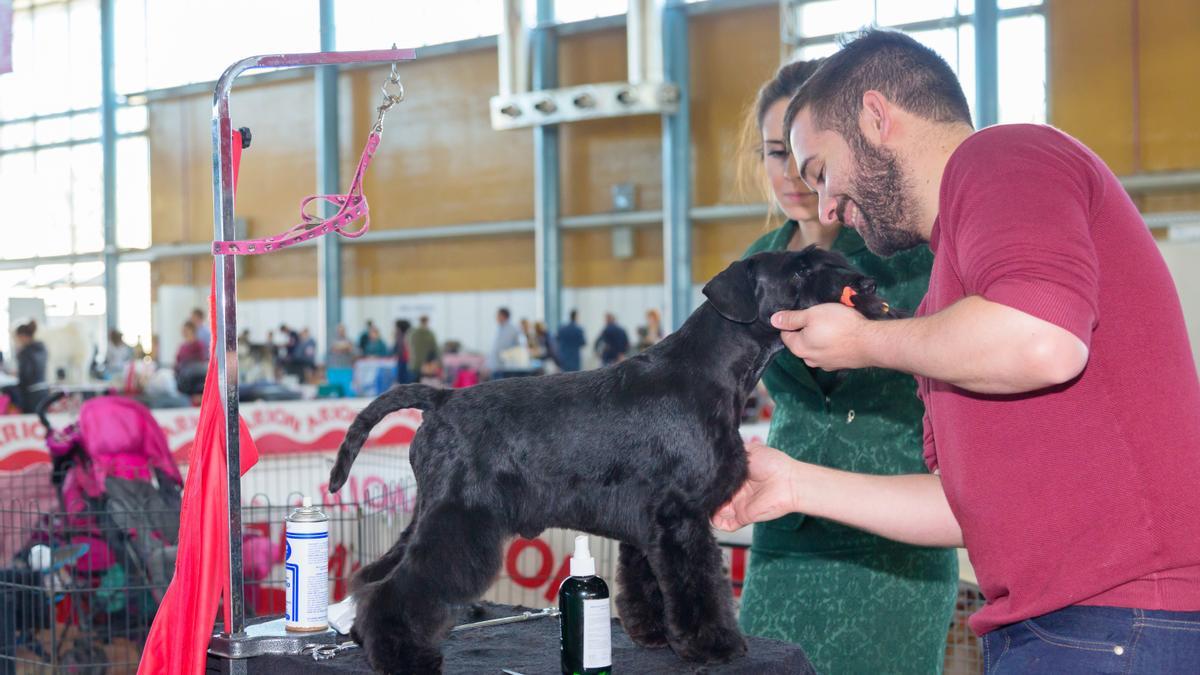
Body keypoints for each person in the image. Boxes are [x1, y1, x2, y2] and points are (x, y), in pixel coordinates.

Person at [713, 30, 1200, 673]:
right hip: (1054, 625)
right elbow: (966, 505)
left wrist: (863, 342)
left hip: (1115, 618)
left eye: (822, 171)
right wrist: (797, 484)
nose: (827, 204)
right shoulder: (951, 297)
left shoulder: (1003, 155)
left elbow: (1043, 342)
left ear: (876, 117)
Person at [732, 58, 956, 674]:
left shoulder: (905, 248)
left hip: (897, 526)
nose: (793, 175)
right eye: (776, 154)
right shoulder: (757, 262)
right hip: (787, 527)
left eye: (811, 161)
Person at [6, 321, 48, 414]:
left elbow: (25, 375)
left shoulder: (25, 352)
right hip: (43, 391)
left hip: (30, 395)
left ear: (22, 336)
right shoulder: (42, 348)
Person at [486, 307, 522, 373]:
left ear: (503, 316)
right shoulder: (500, 328)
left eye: (498, 315)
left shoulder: (511, 329)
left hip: (505, 366)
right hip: (497, 365)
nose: (496, 318)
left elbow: (503, 347)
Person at [407, 316, 438, 382]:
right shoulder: (430, 334)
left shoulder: (413, 333)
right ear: (427, 321)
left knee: (413, 383)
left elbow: (409, 345)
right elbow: (434, 348)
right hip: (426, 363)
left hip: (415, 361)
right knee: (424, 385)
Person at [393, 319, 412, 384]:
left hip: (404, 358)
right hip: (405, 358)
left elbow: (398, 348)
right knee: (404, 377)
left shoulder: (400, 335)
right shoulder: (408, 335)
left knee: (403, 377)